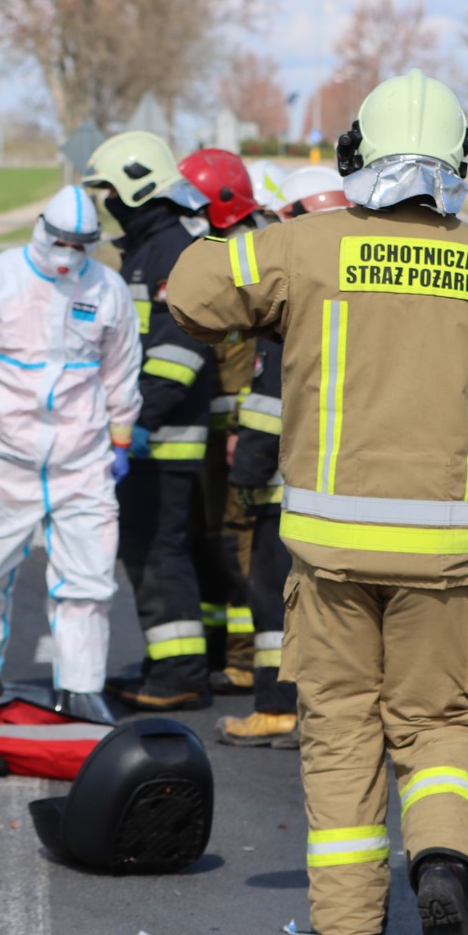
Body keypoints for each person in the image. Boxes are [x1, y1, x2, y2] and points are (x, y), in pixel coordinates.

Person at [168, 70, 468, 935]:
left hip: (329, 557)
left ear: (356, 154)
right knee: (441, 723)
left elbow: (188, 295)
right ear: (458, 162)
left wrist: (240, 232)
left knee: (341, 734)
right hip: (445, 558)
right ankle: (443, 862)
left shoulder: (309, 248)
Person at [0, 185, 142, 724]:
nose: (68, 253)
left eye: (80, 244)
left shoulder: (108, 290)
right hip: (5, 458)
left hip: (82, 460)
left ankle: (81, 688)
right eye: (60, 241)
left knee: (88, 580)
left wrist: (120, 440)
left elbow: (121, 371)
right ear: (40, 229)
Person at [215, 169, 353, 750]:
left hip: (286, 488)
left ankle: (276, 710)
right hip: (344, 488)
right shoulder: (354, 287)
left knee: (272, 595)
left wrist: (245, 480)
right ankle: (324, 713)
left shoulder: (294, 298)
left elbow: (271, 407)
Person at [80, 131, 216, 711]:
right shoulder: (152, 245)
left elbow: (177, 352)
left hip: (163, 435)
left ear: (138, 187)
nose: (106, 201)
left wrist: (131, 419)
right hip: (150, 431)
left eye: (111, 191)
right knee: (153, 550)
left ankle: (181, 672)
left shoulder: (171, 251)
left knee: (157, 551)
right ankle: (168, 663)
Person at [178, 148, 269, 692]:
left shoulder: (252, 256)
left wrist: (241, 431)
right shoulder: (223, 247)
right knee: (210, 538)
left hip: (240, 428)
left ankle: (243, 658)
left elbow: (255, 358)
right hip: (215, 427)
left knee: (239, 541)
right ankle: (221, 650)